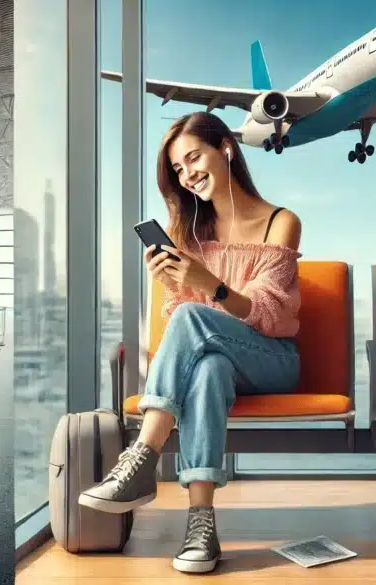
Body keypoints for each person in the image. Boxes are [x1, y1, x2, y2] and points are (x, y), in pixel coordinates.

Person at [78, 111, 303, 574]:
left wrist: (210, 285)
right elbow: (180, 323)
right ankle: (202, 525)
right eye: (178, 169)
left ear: (225, 148)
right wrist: (172, 280)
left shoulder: (281, 221)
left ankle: (142, 458)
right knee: (208, 370)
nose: (187, 174)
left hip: (272, 359)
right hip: (219, 357)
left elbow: (268, 314)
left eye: (193, 157)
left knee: (194, 321)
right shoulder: (188, 234)